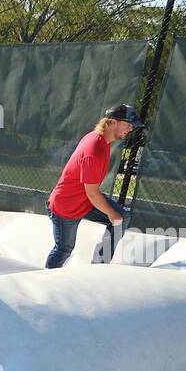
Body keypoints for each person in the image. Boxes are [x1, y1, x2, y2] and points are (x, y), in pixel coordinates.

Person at [44, 104, 143, 269]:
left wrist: (115, 215)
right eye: (128, 124)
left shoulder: (99, 140)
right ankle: (43, 280)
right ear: (112, 122)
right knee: (64, 249)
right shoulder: (94, 148)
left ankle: (99, 267)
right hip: (66, 206)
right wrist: (112, 214)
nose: (131, 128)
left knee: (121, 217)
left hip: (84, 201)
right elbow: (92, 193)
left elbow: (90, 193)